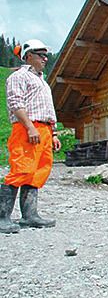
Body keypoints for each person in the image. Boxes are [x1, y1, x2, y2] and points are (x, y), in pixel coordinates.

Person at [0, 39, 61, 234]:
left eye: (45, 54)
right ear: (28, 56)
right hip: (28, 127)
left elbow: (47, 110)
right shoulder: (19, 76)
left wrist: (53, 134)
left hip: (44, 129)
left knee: (38, 172)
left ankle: (29, 216)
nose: (45, 57)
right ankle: (2, 218)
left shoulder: (42, 80)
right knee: (22, 169)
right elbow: (15, 103)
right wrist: (30, 128)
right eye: (40, 54)